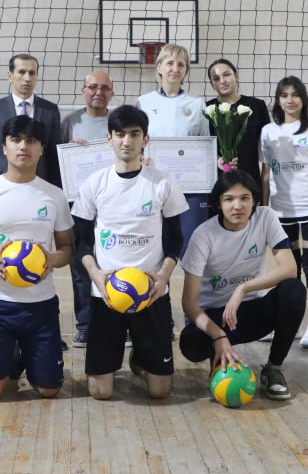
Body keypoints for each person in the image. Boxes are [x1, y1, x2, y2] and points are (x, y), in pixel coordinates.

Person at [0, 116, 73, 400]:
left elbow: (67, 248)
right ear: (4, 147)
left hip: (41, 306)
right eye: (15, 140)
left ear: (41, 149)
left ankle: (18, 355)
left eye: (31, 141)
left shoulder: (54, 195)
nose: (23, 147)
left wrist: (51, 259)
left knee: (50, 390)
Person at [73, 105, 187, 400]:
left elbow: (176, 238)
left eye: (134, 134)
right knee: (100, 392)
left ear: (145, 139)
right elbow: (80, 241)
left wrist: (163, 276)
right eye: (120, 134)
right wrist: (96, 275)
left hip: (151, 293)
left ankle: (141, 355)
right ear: (109, 138)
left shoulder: (163, 182)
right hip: (107, 295)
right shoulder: (94, 183)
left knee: (161, 391)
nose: (127, 141)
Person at [179, 170, 306, 400]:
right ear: (219, 204)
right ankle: (220, 357)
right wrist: (218, 336)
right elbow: (189, 303)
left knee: (294, 290)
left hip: (249, 312)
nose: (237, 206)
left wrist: (243, 289)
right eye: (229, 199)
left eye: (245, 198)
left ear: (254, 200)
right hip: (214, 316)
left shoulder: (265, 217)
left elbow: (290, 268)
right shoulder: (203, 236)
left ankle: (273, 368)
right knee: (191, 344)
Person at [259, 76, 308, 348]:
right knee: (288, 270)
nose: (289, 100)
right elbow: (265, 174)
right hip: (281, 210)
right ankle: (287, 324)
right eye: (284, 95)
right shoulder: (268, 131)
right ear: (278, 100)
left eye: (295, 95)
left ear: (303, 99)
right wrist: (265, 210)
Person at [59, 70, 115, 347]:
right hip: (79, 204)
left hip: (113, 203)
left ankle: (119, 321)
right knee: (81, 263)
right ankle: (85, 324)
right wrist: (71, 152)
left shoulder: (118, 121)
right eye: (93, 87)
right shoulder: (69, 122)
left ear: (112, 93)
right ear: (83, 91)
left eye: (104, 88)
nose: (98, 92)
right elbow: (58, 160)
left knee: (113, 261)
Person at [136, 43, 210, 250]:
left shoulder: (197, 104)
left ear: (186, 71)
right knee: (154, 247)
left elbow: (205, 147)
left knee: (191, 247)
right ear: (159, 67)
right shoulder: (143, 102)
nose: (175, 69)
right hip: (153, 183)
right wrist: (140, 158)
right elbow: (137, 143)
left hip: (190, 187)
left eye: (181, 64)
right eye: (170, 63)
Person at [0, 53, 62, 187]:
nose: (27, 78)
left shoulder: (50, 111)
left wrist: (57, 189)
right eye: (22, 72)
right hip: (3, 182)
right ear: (10, 76)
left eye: (32, 73)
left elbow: (54, 156)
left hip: (40, 182)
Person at [206, 58, 271, 181]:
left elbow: (267, 151)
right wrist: (217, 159)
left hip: (250, 180)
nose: (222, 81)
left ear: (236, 76)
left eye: (227, 75)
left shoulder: (257, 106)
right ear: (212, 85)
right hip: (218, 181)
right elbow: (202, 148)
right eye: (216, 78)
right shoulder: (207, 109)